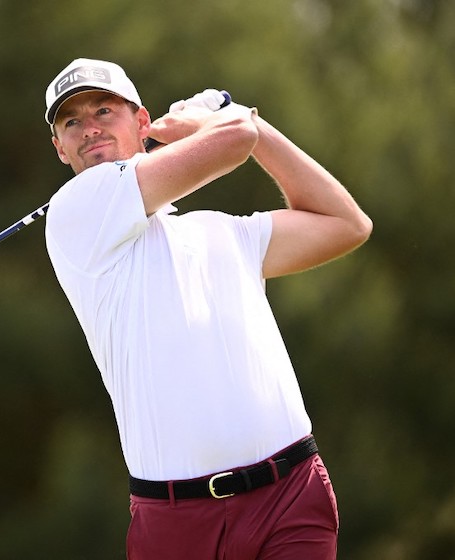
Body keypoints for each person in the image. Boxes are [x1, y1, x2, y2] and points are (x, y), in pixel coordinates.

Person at [42, 58, 373, 559]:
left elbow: (346, 223)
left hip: (289, 494)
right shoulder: (75, 211)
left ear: (141, 122)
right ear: (59, 148)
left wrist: (253, 125)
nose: (89, 129)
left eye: (104, 111)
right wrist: (227, 121)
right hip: (177, 523)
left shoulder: (221, 231)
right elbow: (233, 139)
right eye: (72, 122)